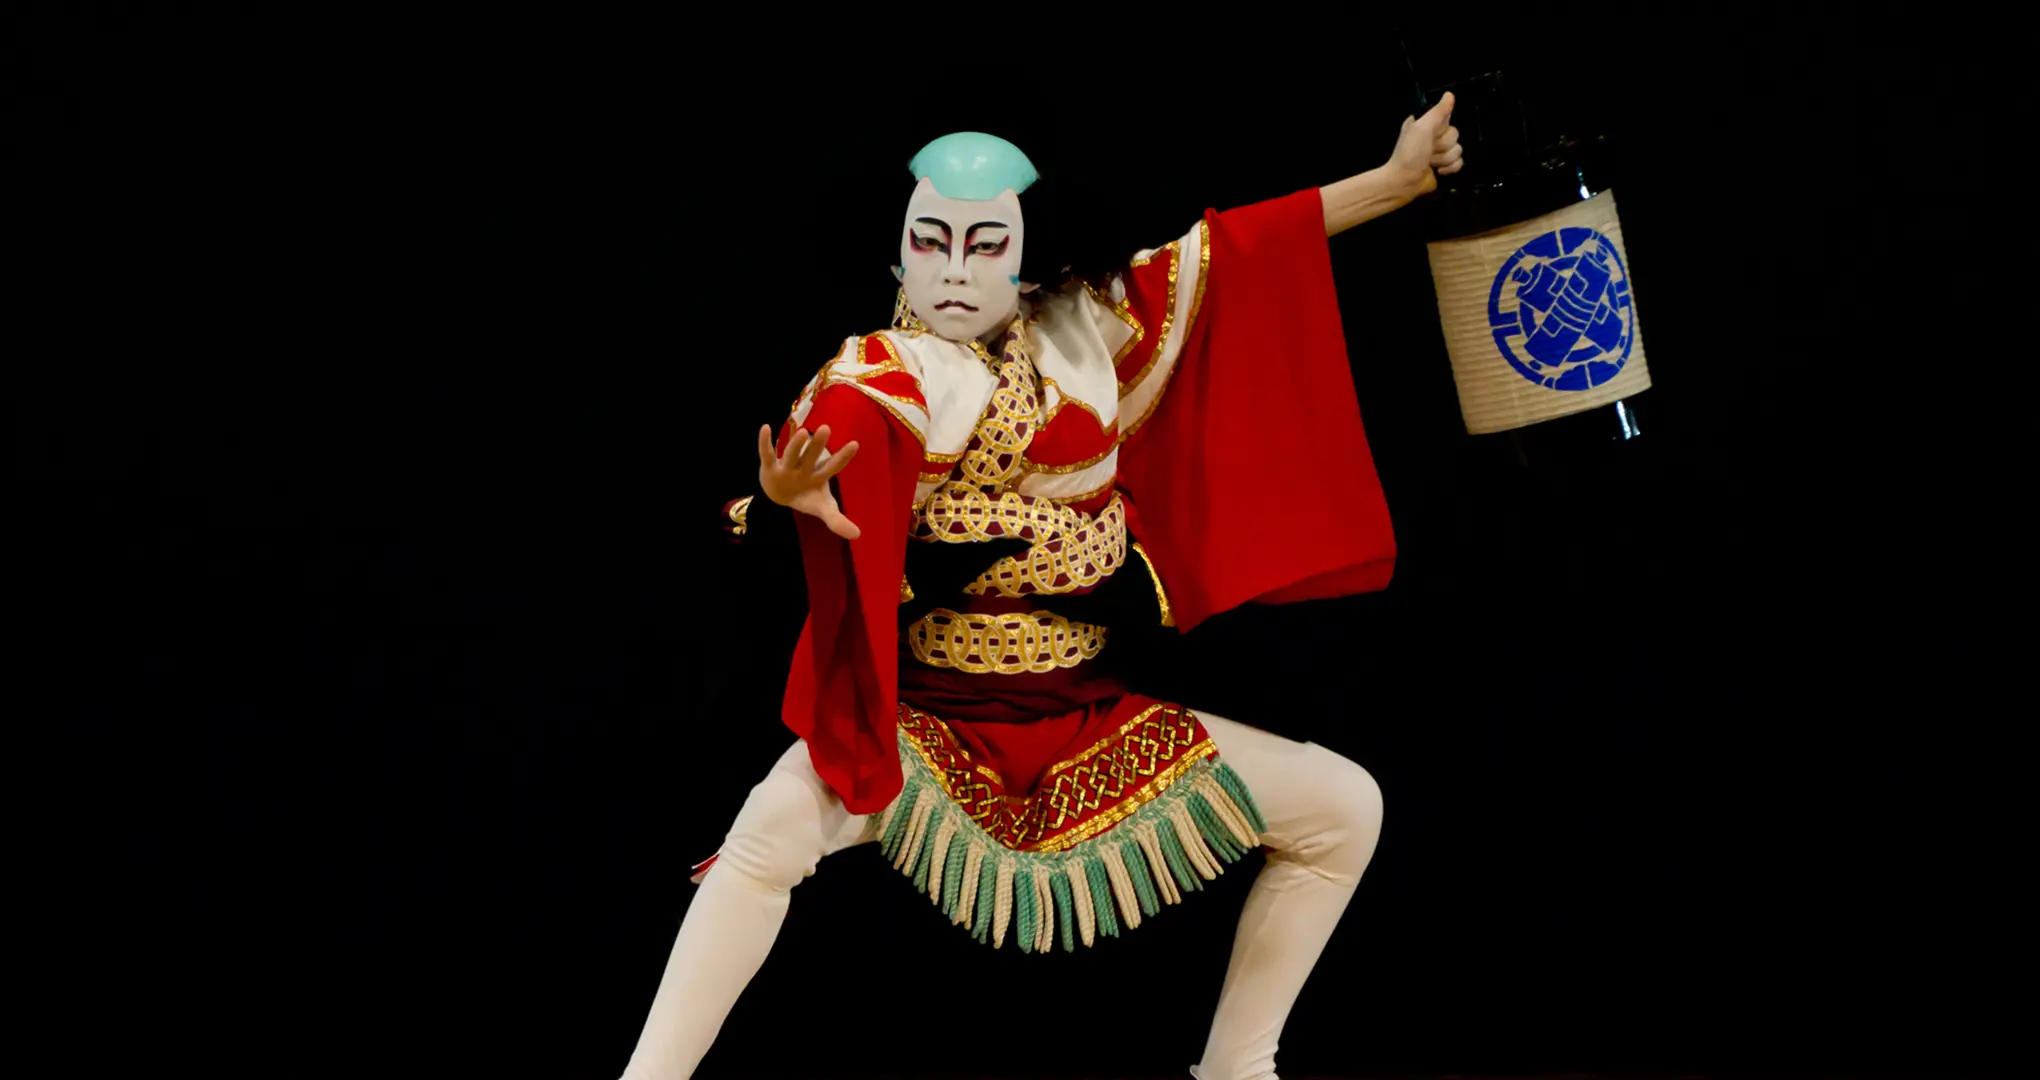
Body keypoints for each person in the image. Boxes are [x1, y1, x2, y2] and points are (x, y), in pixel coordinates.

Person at [624, 97, 1464, 1080]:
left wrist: (1397, 182)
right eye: (929, 242)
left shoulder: (1076, 327)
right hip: (927, 728)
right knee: (768, 834)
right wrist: (782, 499)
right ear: (897, 253)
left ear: (1025, 257)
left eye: (984, 246)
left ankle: (1240, 1065)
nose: (951, 270)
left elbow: (1227, 251)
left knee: (1342, 807)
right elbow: (848, 425)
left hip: (1082, 720)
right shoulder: (887, 367)